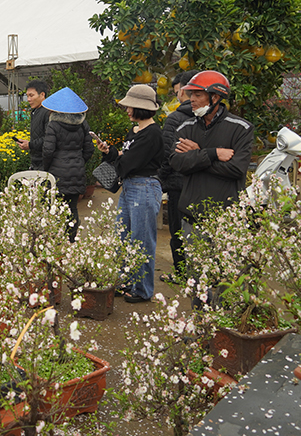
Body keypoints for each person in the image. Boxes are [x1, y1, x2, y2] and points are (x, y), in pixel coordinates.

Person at [94, 84, 164, 303]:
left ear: (140, 108)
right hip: (131, 186)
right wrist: (111, 152)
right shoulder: (135, 130)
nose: (127, 110)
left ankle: (142, 290)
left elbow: (129, 162)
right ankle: (124, 283)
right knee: (123, 237)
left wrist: (116, 157)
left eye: (130, 106)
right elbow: (126, 156)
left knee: (141, 240)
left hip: (144, 187)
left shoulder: (152, 133)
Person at [168, 70, 254, 227]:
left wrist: (197, 155)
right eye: (191, 94)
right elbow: (177, 163)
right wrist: (212, 153)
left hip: (228, 216)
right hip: (192, 216)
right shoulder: (184, 129)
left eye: (198, 95)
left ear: (215, 97)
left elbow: (236, 169)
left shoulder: (241, 128)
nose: (191, 99)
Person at [157, 71, 198, 283]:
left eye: (176, 93)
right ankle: (201, 274)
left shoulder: (175, 118)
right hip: (202, 183)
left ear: (183, 90)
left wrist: (160, 180)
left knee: (178, 231)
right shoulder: (211, 117)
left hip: (177, 182)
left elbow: (166, 153)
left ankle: (183, 275)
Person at [42, 87, 95, 242]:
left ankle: (56, 241)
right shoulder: (83, 125)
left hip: (57, 173)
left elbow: (48, 151)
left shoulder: (53, 125)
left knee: (54, 207)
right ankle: (70, 241)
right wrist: (79, 162)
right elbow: (89, 149)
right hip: (76, 172)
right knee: (72, 207)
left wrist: (48, 168)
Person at [15, 80, 50, 170]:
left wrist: (30, 145)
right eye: (27, 96)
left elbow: (49, 139)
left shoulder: (48, 112)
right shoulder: (35, 112)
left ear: (42, 95)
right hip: (36, 162)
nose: (29, 99)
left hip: (46, 162)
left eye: (31, 95)